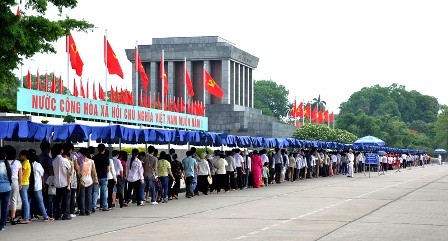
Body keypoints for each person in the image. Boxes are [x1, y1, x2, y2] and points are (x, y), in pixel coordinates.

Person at [52, 143, 72, 220]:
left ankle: (57, 214)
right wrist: (68, 183)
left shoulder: (54, 161)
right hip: (65, 182)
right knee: (66, 199)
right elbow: (69, 172)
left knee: (58, 200)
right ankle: (66, 214)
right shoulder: (64, 160)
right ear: (61, 150)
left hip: (57, 182)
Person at [31, 152, 53, 221]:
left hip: (30, 186)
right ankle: (45, 216)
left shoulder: (29, 164)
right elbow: (42, 175)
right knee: (40, 201)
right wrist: (43, 185)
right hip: (38, 185)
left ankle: (29, 215)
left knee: (31, 201)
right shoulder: (37, 165)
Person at [78, 148, 98, 216]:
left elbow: (79, 172)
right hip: (90, 180)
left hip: (82, 181)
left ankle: (82, 211)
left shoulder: (80, 162)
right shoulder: (91, 161)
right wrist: (95, 180)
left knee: (82, 196)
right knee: (89, 196)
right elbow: (94, 172)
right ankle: (88, 210)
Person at [5, 145, 22, 225]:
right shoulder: (18, 162)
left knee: (5, 199)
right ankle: (13, 217)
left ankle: (4, 217)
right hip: (15, 182)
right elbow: (20, 175)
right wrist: (20, 184)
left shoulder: (4, 162)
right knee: (14, 199)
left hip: (6, 181)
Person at [92, 144, 110, 211]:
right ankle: (105, 206)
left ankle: (93, 206)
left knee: (95, 192)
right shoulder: (106, 157)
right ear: (104, 150)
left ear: (97, 149)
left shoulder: (94, 157)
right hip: (104, 177)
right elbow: (108, 169)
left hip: (96, 177)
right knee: (104, 192)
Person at [18, 150, 31, 223]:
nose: (19, 157)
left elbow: (20, 173)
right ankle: (27, 217)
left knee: (25, 201)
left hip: (23, 183)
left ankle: (26, 218)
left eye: (20, 155)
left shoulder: (25, 163)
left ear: (24, 155)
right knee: (26, 200)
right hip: (26, 183)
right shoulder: (27, 163)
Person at [0, 147, 12, 231]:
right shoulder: (7, 164)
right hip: (7, 188)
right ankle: (2, 226)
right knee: (5, 207)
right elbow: (10, 176)